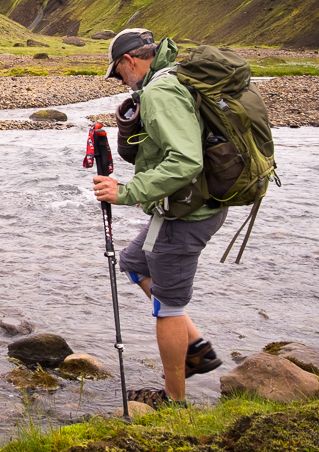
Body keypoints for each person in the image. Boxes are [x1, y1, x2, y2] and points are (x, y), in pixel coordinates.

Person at [93, 28, 227, 408]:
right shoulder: (175, 77)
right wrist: (151, 189)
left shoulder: (160, 91)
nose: (122, 82)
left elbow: (186, 160)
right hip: (183, 204)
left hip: (187, 213)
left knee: (169, 306)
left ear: (129, 61)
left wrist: (129, 192)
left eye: (118, 74)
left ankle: (174, 402)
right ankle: (198, 349)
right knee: (134, 262)